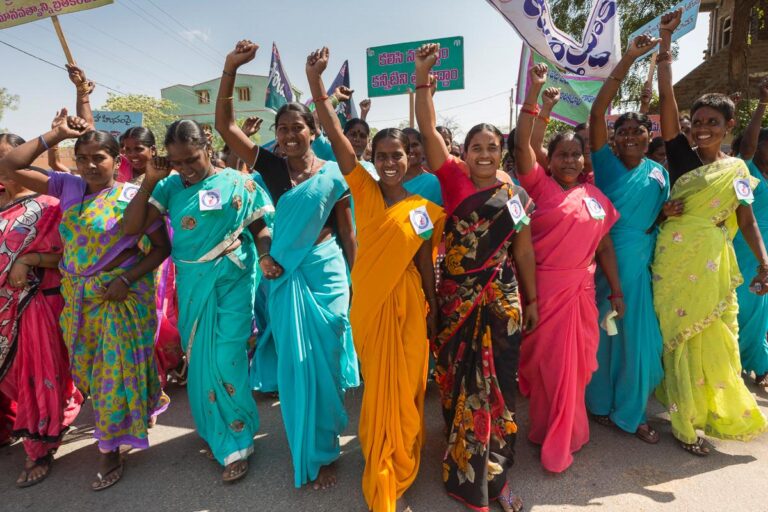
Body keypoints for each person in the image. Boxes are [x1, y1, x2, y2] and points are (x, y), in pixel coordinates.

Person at [0, 111, 170, 490]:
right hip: (76, 302)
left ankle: (109, 448)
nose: (91, 165)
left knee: (113, 374)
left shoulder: (134, 195)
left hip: (119, 300)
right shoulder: (68, 188)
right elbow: (9, 164)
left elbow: (160, 248)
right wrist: (55, 133)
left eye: (100, 157)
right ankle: (138, 407)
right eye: (84, 157)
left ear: (117, 160)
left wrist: (126, 279)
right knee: (92, 375)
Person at [216, 40, 359, 491]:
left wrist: (359, 284)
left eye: (298, 127)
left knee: (328, 364)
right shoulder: (273, 170)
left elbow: (348, 232)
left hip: (327, 272)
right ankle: (311, 450)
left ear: (313, 130)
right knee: (298, 365)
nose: (289, 134)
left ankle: (328, 446)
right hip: (284, 274)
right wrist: (230, 67)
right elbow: (225, 126)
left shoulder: (335, 173)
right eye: (283, 128)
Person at [307, 45, 444, 512]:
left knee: (406, 387)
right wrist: (317, 87)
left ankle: (401, 458)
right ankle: (380, 458)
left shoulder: (423, 208)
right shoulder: (361, 188)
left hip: (408, 303)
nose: (389, 162)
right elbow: (336, 137)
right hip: (369, 301)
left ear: (411, 157)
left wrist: (433, 307)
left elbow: (425, 261)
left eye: (397, 154)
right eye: (382, 154)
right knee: (377, 387)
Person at [415, 43, 537, 512]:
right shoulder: (453, 179)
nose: (485, 154)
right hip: (457, 298)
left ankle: (496, 468)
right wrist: (423, 78)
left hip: (502, 297)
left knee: (500, 380)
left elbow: (523, 249)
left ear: (501, 151)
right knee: (458, 379)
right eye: (477, 147)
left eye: (493, 147)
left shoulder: (513, 192)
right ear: (464, 152)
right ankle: (464, 447)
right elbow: (427, 128)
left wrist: (532, 300)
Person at [123, 119, 272, 483]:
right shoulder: (170, 186)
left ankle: (238, 439)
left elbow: (260, 226)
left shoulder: (239, 182)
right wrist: (151, 181)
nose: (186, 168)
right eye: (177, 162)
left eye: (192, 158)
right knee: (201, 359)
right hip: (192, 284)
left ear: (207, 143)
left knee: (227, 357)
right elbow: (131, 227)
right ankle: (215, 430)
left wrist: (266, 255)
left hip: (234, 280)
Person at [653, 9, 768, 455]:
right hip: (676, 263)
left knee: (718, 336)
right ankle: (685, 423)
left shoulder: (737, 169)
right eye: (697, 120)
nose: (702, 128)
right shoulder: (680, 154)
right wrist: (665, 48)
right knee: (679, 339)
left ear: (728, 128)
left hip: (715, 264)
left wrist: (762, 259)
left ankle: (712, 412)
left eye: (712, 123)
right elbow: (666, 98)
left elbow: (746, 218)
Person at [515, 63, 623, 474]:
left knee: (574, 372)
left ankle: (564, 432)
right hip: (545, 293)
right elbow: (524, 144)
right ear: (550, 161)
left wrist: (616, 291)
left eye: (576, 154)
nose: (570, 160)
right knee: (550, 370)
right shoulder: (538, 186)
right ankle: (553, 439)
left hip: (583, 296)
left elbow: (606, 246)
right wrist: (536, 95)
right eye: (562, 155)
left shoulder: (595, 195)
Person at [584, 35, 674, 445]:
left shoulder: (659, 173)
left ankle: (630, 409)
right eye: (625, 131)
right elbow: (598, 111)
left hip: (645, 265)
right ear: (614, 138)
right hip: (608, 264)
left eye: (640, 131)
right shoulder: (605, 165)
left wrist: (663, 217)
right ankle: (601, 405)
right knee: (607, 337)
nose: (633, 136)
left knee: (640, 342)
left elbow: (657, 218)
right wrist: (631, 58)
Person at [0, 133, 83, 487]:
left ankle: (39, 448)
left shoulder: (50, 205)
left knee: (38, 379)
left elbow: (75, 253)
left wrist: (32, 258)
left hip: (36, 305)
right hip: (3, 311)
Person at [120, 127, 184, 388]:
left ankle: (163, 371)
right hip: (132, 254)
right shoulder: (121, 178)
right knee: (139, 316)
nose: (132, 154)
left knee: (161, 312)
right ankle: (156, 374)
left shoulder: (170, 177)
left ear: (153, 150)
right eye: (127, 148)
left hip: (162, 253)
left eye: (139, 148)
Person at [733, 78, 768, 386]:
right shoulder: (748, 171)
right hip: (741, 247)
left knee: (758, 309)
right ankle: (731, 362)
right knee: (737, 306)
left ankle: (760, 364)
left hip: (765, 252)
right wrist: (762, 104)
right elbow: (746, 146)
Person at [401, 128, 443, 206]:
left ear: (424, 148)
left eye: (414, 145)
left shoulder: (434, 183)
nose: (410, 150)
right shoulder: (390, 181)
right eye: (405, 146)